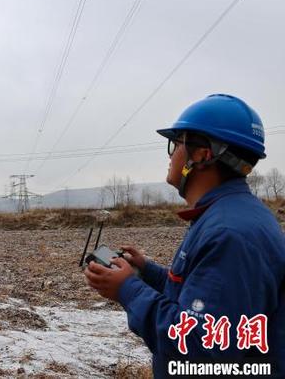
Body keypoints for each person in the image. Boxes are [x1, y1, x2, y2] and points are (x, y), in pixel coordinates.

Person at [83, 94, 285, 377]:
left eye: (177, 143)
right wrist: (149, 272)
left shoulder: (230, 233)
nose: (170, 155)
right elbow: (203, 297)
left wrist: (128, 289)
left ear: (203, 154)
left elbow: (200, 346)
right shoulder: (230, 217)